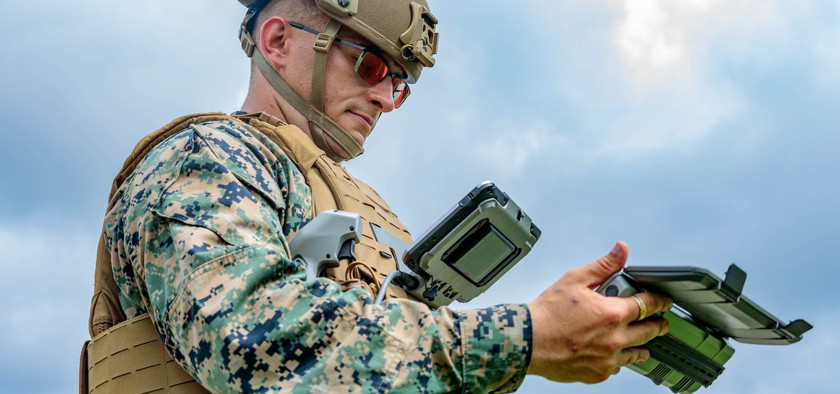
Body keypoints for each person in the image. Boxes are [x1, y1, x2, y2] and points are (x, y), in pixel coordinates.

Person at [82, 0, 673, 392]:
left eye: (400, 83)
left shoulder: (365, 209)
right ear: (279, 40)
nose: (387, 99)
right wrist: (521, 337)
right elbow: (247, 338)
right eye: (369, 65)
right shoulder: (209, 157)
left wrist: (569, 328)